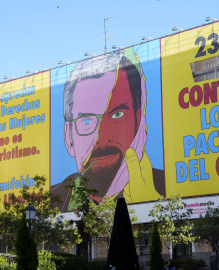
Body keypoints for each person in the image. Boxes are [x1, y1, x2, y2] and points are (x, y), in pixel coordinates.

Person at [51, 48, 165, 212]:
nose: (102, 139)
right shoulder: (50, 201)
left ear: (138, 121)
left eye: (117, 115)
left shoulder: (165, 189)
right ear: (68, 137)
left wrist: (150, 210)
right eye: (87, 120)